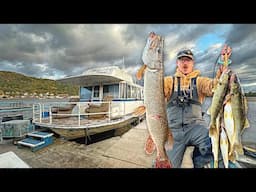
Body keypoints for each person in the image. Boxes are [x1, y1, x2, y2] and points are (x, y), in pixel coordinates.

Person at [146, 45, 232, 168]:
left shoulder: (200, 81)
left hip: (196, 127)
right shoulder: (169, 81)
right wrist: (150, 66)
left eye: (188, 60)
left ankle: (200, 161)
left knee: (213, 144)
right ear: (177, 63)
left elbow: (217, 86)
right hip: (173, 131)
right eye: (182, 60)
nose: (185, 63)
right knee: (165, 163)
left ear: (193, 63)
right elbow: (154, 91)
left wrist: (223, 61)